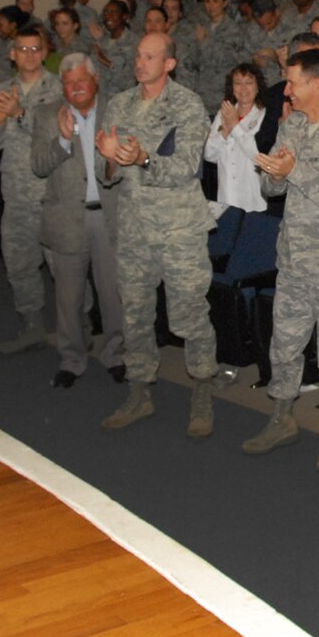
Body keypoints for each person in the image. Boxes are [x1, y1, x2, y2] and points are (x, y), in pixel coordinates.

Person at [96, 32, 235, 434]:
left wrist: (141, 157)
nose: (140, 63)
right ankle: (139, 392)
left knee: (190, 315)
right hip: (135, 228)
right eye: (138, 55)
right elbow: (106, 177)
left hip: (178, 231)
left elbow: (185, 167)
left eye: (150, 57)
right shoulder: (120, 103)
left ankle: (202, 391)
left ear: (168, 64)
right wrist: (109, 161)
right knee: (136, 313)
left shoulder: (186, 104)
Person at [242, 50, 319, 470]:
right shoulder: (292, 125)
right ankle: (281, 418)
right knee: (285, 344)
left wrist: (294, 172)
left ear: (315, 84)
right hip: (295, 258)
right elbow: (270, 189)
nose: (287, 90)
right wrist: (275, 174)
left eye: (292, 82)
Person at [31, 54, 127, 390]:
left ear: (95, 80)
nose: (75, 89)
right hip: (67, 220)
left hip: (107, 217)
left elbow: (129, 161)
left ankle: (115, 355)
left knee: (113, 294)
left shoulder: (116, 110)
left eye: (81, 81)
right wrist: (61, 139)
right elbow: (39, 165)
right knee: (68, 298)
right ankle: (71, 360)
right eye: (69, 83)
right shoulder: (46, 114)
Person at [0, 27, 60, 355]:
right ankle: (32, 326)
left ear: (44, 52)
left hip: (51, 193)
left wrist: (19, 115)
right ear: (11, 54)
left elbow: (55, 136)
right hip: (15, 195)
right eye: (22, 49)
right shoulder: (2, 89)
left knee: (63, 267)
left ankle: (77, 327)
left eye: (34, 49)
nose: (28, 55)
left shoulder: (57, 89)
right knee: (19, 264)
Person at [204, 61, 267, 216]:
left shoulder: (264, 115)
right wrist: (225, 131)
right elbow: (209, 155)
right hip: (226, 197)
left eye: (249, 83)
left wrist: (235, 126)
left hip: (253, 199)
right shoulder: (223, 113)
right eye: (238, 83)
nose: (243, 89)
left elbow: (258, 156)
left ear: (258, 86)